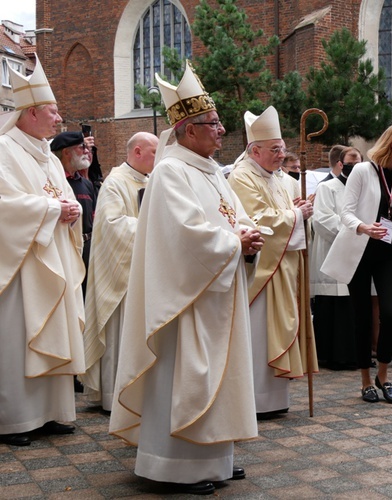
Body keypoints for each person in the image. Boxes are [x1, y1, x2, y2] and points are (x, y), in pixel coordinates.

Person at [109, 62, 263, 495]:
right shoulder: (171, 171)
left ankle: (214, 456)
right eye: (213, 123)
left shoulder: (213, 170)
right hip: (185, 298)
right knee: (184, 375)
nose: (221, 129)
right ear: (188, 129)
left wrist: (249, 235)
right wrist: (236, 241)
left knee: (220, 373)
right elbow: (184, 234)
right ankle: (174, 467)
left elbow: (236, 216)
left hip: (217, 291)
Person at [0, 59, 86, 447]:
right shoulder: (3, 150)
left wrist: (71, 211)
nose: (59, 117)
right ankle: (15, 420)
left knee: (56, 327)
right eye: (53, 111)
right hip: (21, 263)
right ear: (31, 112)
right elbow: (4, 205)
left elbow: (65, 197)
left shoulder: (49, 156)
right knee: (20, 335)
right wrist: (53, 210)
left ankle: (53, 412)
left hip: (55, 256)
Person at [228, 106, 317, 417]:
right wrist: (296, 215)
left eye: (283, 149)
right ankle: (255, 400)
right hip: (264, 271)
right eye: (275, 149)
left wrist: (300, 210)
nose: (282, 155)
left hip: (285, 267)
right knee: (259, 333)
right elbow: (255, 220)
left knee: (278, 328)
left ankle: (275, 399)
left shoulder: (278, 178)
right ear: (255, 151)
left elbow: (287, 211)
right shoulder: (242, 177)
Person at [321, 124, 392, 404]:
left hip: (388, 253)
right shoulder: (363, 170)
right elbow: (346, 214)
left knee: (391, 315)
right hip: (359, 252)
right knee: (362, 317)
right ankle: (365, 381)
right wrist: (364, 227)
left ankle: (383, 376)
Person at [80, 132, 159, 412]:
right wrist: (154, 226)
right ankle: (115, 395)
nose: (157, 158)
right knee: (121, 333)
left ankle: (140, 392)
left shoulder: (152, 181)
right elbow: (112, 225)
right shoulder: (115, 183)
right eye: (153, 152)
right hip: (120, 274)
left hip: (145, 269)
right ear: (137, 151)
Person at [310, 146, 362, 370]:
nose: (355, 165)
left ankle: (352, 354)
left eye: (359, 162)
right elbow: (322, 219)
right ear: (340, 163)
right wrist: (355, 230)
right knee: (333, 307)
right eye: (351, 161)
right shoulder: (327, 187)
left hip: (356, 254)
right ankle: (331, 356)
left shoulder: (361, 189)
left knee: (352, 308)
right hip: (333, 253)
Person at [51, 131, 97, 297]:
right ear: (66, 152)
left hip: (88, 250)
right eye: (81, 147)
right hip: (65, 249)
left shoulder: (85, 183)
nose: (86, 151)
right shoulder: (53, 183)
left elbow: (94, 217)